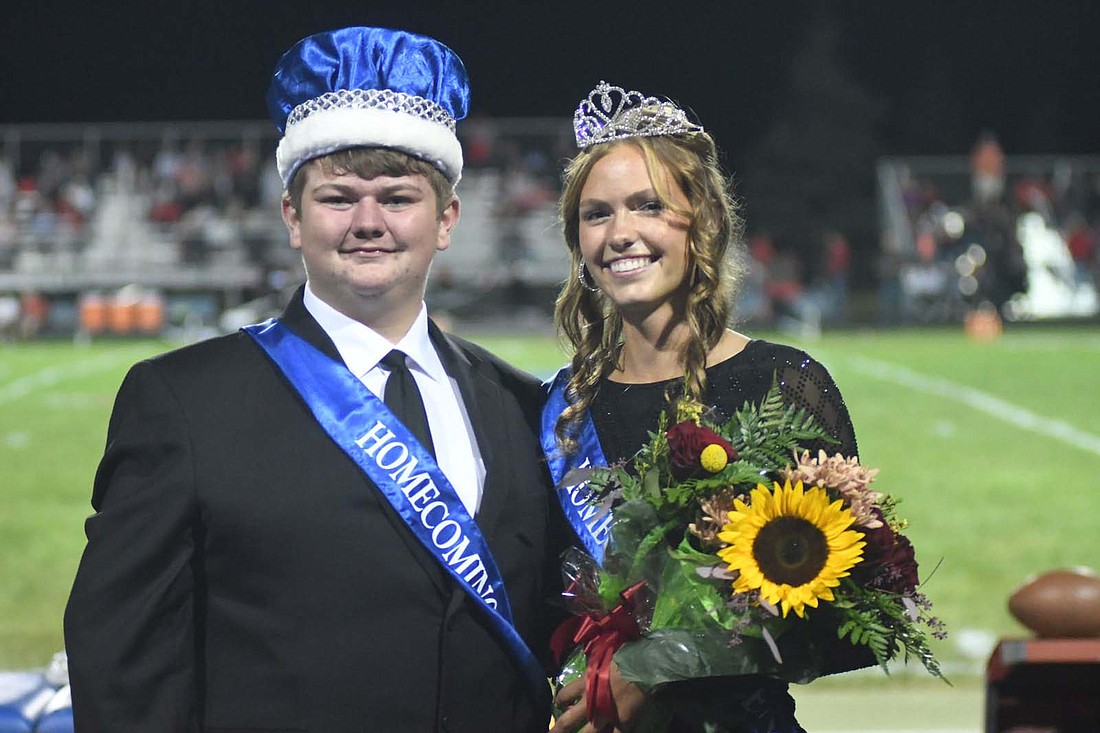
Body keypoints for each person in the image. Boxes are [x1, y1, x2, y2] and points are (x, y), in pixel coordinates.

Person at [64, 27, 566, 732]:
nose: (368, 221)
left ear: (446, 218)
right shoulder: (183, 402)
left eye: (397, 197)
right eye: (337, 198)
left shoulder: (521, 405)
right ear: (292, 218)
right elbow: (123, 666)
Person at [544, 82, 866, 733]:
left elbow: (845, 612)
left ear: (704, 221)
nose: (620, 232)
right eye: (597, 213)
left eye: (648, 206)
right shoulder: (561, 410)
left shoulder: (785, 382)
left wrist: (663, 662)